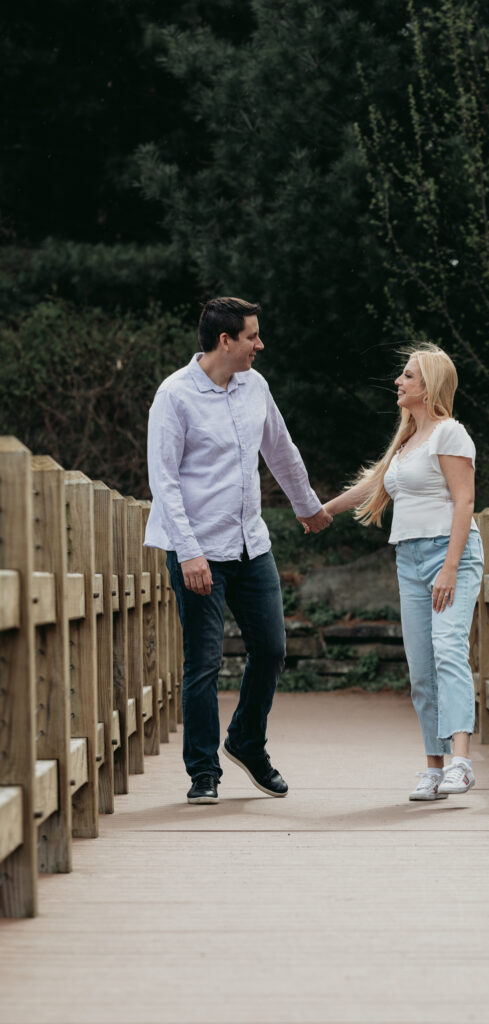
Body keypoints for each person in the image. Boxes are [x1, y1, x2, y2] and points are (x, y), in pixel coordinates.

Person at [144, 296, 332, 804]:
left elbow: (281, 450)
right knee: (203, 663)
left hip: (251, 544)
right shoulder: (175, 396)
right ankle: (203, 771)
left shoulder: (255, 386)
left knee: (271, 649)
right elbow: (164, 482)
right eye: (252, 336)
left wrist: (307, 506)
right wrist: (189, 552)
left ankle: (246, 742)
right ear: (224, 341)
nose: (259, 344)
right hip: (198, 548)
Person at [323, 343, 483, 800]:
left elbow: (464, 501)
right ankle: (433, 768)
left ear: (428, 384)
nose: (399, 381)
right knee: (420, 666)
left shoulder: (450, 434)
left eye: (408, 376)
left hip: (449, 554)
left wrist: (450, 567)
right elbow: (375, 483)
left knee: (448, 648)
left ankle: (462, 763)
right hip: (409, 559)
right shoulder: (408, 439)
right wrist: (321, 512)